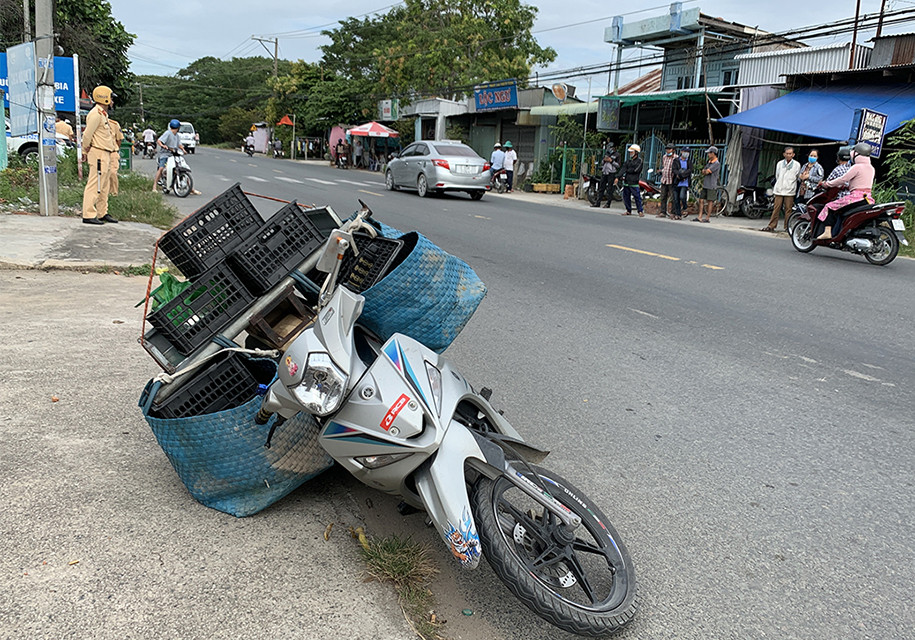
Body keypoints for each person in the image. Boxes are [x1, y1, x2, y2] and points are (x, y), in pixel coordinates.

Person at [815, 142, 876, 240]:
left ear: (856, 154)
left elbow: (843, 179)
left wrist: (827, 184)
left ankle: (827, 232)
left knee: (829, 206)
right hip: (867, 198)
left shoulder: (857, 167)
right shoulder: (871, 168)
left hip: (855, 198)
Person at [81, 85, 119, 225]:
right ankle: (88, 214)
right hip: (98, 152)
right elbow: (87, 135)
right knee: (95, 184)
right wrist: (84, 151)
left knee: (104, 186)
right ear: (105, 98)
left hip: (106, 153)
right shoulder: (95, 114)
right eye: (111, 98)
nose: (112, 102)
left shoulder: (103, 114)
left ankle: (102, 212)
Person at [761, 146, 800, 232]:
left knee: (788, 209)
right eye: (787, 153)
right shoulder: (779, 164)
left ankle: (787, 227)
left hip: (790, 190)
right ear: (784, 154)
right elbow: (777, 176)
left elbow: (797, 177)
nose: (788, 155)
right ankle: (771, 225)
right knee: (776, 208)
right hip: (779, 189)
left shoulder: (797, 165)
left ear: (793, 155)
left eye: (790, 154)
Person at [154, 119, 185, 192]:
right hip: (165, 154)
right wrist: (163, 145)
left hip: (174, 155)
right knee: (161, 168)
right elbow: (159, 141)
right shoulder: (168, 133)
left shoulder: (177, 135)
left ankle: (190, 189)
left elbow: (179, 144)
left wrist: (183, 150)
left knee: (182, 168)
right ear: (177, 127)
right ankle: (154, 186)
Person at [614, 144, 644, 216]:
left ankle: (640, 211)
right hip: (627, 181)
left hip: (634, 182)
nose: (630, 153)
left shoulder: (639, 161)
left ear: (636, 152)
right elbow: (623, 169)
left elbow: (635, 170)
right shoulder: (628, 161)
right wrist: (617, 177)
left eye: (632, 152)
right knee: (626, 197)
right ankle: (628, 210)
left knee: (637, 197)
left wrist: (628, 170)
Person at [695, 146, 720, 223]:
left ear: (713, 153)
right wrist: (705, 171)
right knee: (701, 199)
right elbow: (704, 171)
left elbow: (706, 172)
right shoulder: (709, 162)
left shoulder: (716, 163)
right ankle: (699, 216)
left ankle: (707, 218)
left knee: (710, 201)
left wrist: (705, 171)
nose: (708, 154)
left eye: (709, 153)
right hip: (705, 184)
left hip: (711, 185)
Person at [671, 147, 693, 220]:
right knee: (676, 199)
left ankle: (685, 207)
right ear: (681, 152)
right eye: (685, 151)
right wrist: (680, 175)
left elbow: (690, 170)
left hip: (685, 182)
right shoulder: (676, 160)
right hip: (676, 182)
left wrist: (683, 176)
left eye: (688, 152)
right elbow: (674, 169)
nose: (686, 153)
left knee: (682, 196)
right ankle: (678, 214)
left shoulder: (689, 161)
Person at [658, 143, 677, 218]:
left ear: (673, 150)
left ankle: (673, 212)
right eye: (667, 149)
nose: (668, 151)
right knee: (663, 196)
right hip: (664, 179)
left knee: (673, 197)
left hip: (671, 180)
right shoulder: (664, 157)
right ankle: (663, 212)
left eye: (669, 149)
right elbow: (664, 166)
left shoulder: (676, 158)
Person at [108, 118, 124, 197]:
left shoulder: (114, 124)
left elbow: (119, 139)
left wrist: (115, 148)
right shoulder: (94, 123)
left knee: (112, 173)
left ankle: (113, 193)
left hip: (112, 152)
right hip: (99, 152)